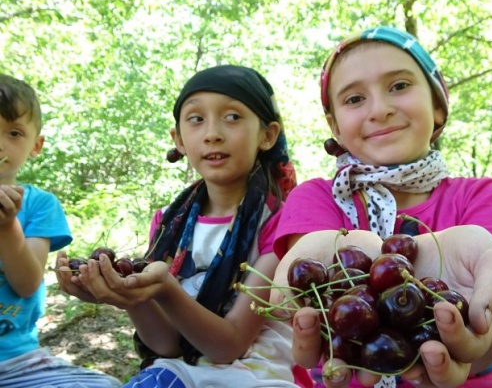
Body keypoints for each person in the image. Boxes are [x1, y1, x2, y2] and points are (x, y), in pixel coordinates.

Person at [271, 26, 492, 388]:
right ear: (334, 127)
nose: (380, 110)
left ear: (438, 107)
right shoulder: (315, 198)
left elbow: (489, 327)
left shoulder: (485, 197)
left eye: (399, 86)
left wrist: (475, 331)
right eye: (354, 99)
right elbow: (321, 300)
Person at [54, 65, 311, 387]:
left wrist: (166, 289)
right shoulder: (167, 224)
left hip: (258, 376)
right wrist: (131, 296)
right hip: (180, 371)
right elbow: (166, 344)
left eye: (232, 117)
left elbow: (229, 345)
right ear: (178, 139)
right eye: (195, 119)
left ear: (267, 135)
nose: (212, 133)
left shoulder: (281, 226)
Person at [0, 73, 121, 387]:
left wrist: (7, 225)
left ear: (35, 145)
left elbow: (27, 283)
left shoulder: (39, 205)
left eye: (13, 133)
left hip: (17, 362)